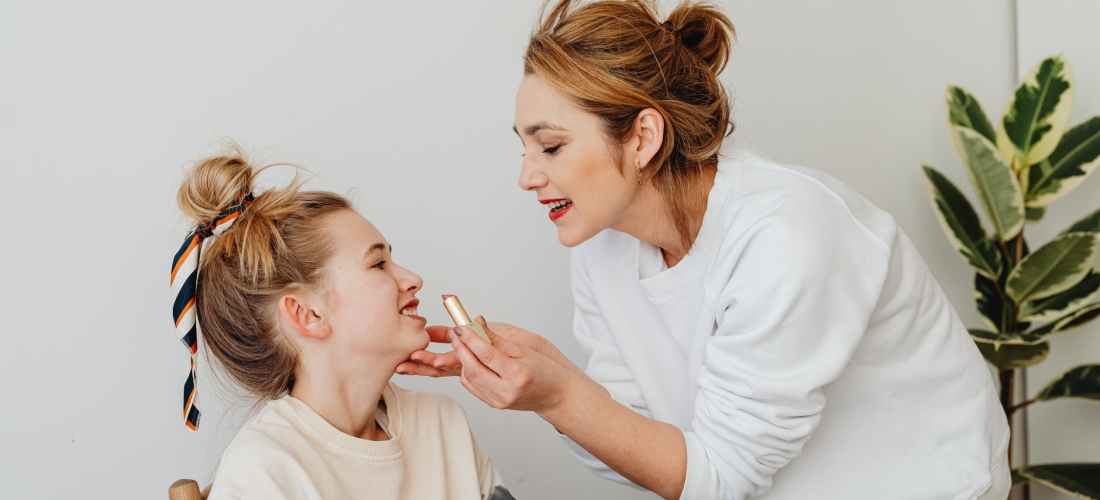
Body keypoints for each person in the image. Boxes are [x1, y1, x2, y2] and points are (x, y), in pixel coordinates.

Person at [396, 1, 1011, 498]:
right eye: (523, 148)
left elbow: (720, 478)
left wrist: (558, 393)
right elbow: (644, 451)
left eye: (550, 147)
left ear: (642, 136)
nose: (526, 177)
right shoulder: (603, 243)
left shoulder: (787, 234)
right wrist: (549, 380)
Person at [167, 152, 514, 500]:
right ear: (308, 315)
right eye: (379, 264)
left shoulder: (441, 424)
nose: (413, 279)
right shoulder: (264, 472)